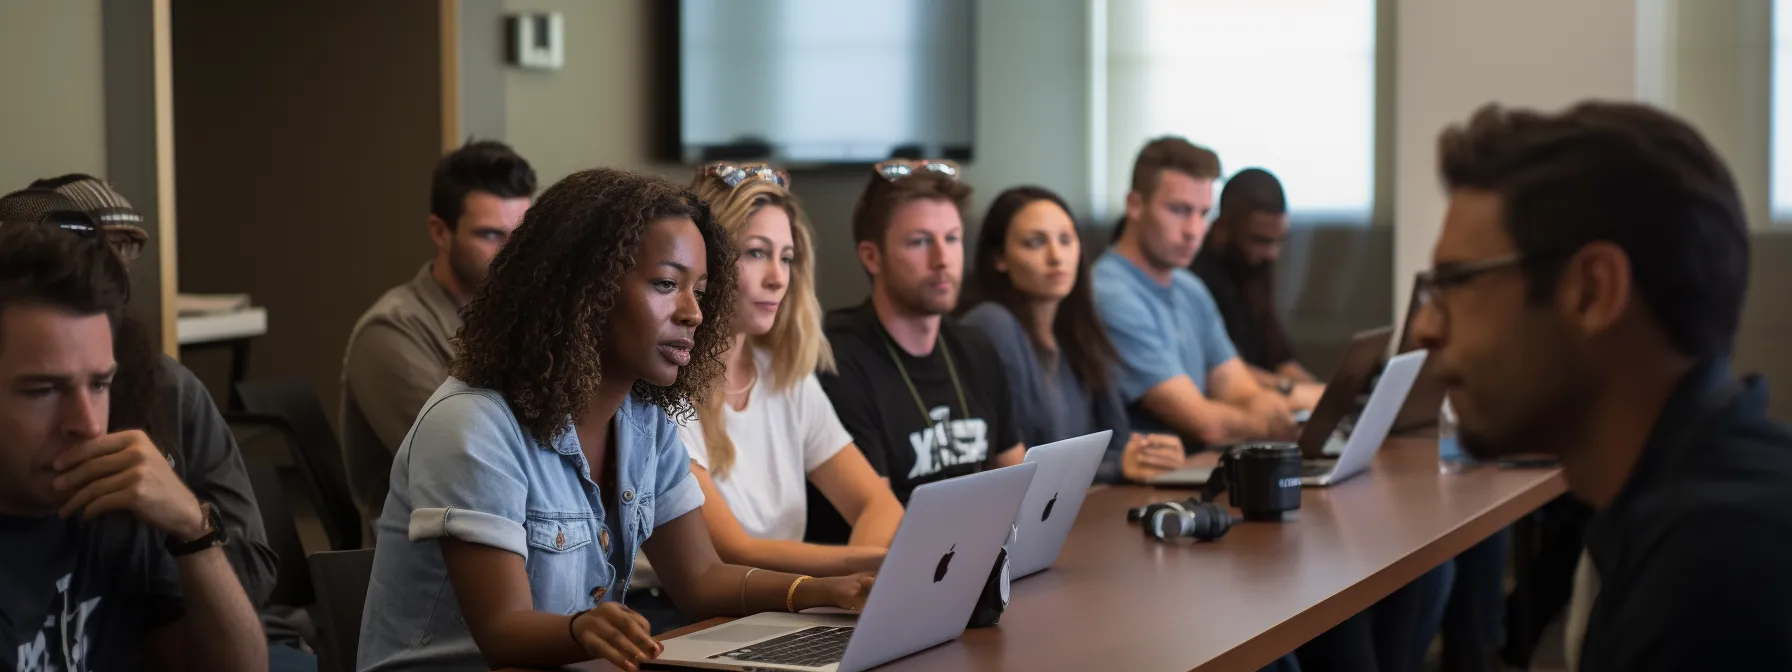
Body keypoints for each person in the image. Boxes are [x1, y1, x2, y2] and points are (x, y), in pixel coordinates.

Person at [356, 168, 874, 672]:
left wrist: (819, 592)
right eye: (668, 285)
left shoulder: (644, 419)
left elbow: (700, 578)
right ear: (587, 290)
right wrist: (581, 630)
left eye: (701, 290)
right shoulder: (472, 425)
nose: (694, 313)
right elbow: (502, 631)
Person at [1412, 101, 1792, 671]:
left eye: (1455, 284)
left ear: (1592, 291)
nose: (1425, 327)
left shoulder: (1717, 571)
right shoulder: (1681, 504)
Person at [10, 180, 306, 669]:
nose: (87, 425)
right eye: (43, 390)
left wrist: (192, 528)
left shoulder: (124, 487)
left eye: (100, 384)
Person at [625, 164, 906, 633]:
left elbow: (878, 504)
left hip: (782, 604)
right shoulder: (661, 383)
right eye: (755, 253)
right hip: (670, 615)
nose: (778, 278)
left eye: (787, 257)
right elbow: (734, 551)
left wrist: (864, 583)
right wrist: (876, 566)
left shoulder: (786, 375)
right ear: (705, 260)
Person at [808, 160, 1025, 543]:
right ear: (872, 257)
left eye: (953, 238)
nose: (943, 259)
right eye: (920, 241)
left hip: (983, 563)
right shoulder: (839, 359)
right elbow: (883, 525)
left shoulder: (976, 348)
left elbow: (1021, 483)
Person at [339, 140, 535, 529]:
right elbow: (465, 467)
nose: (513, 256)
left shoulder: (521, 316)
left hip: (520, 534)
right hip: (433, 557)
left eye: (521, 236)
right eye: (491, 236)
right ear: (440, 232)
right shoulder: (391, 331)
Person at [958, 185, 1186, 483]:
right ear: (999, 258)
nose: (1056, 256)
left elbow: (1116, 444)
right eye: (1035, 242)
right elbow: (1020, 465)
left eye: (1066, 240)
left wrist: (1151, 453)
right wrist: (1117, 468)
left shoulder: (1078, 333)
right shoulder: (992, 325)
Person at [1092, 137, 1298, 452]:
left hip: (1196, 474)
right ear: (1135, 205)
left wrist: (1261, 408)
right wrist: (1266, 423)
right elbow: (1205, 424)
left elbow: (1239, 388)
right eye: (1179, 210)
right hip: (1140, 488)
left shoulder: (1190, 288)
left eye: (1202, 214)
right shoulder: (1109, 292)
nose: (1193, 230)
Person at [1188, 168, 1322, 409]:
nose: (1273, 253)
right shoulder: (1194, 280)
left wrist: (1324, 392)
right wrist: (1294, 391)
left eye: (1279, 240)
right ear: (1223, 228)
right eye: (1261, 240)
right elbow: (1220, 368)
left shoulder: (1256, 269)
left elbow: (1279, 357)